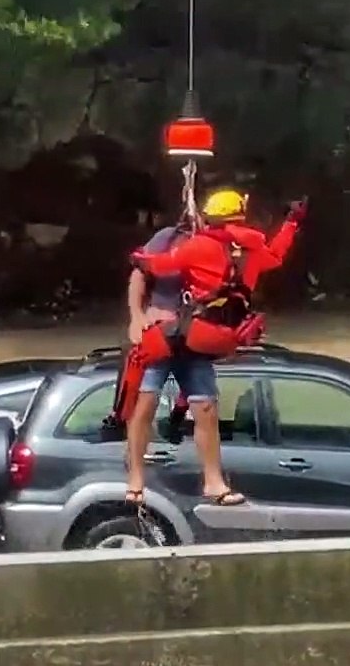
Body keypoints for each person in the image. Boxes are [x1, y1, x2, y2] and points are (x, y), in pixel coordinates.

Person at [120, 188, 306, 507]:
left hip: (177, 334)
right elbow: (276, 255)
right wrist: (291, 223)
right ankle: (211, 481)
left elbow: (160, 265)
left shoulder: (199, 246)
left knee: (149, 406)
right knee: (201, 410)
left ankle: (140, 480)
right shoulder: (252, 250)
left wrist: (138, 258)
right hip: (200, 337)